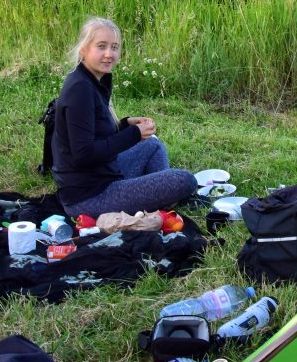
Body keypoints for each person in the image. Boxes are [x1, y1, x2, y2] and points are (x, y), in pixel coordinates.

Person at [51, 17, 197, 217]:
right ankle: (159, 197)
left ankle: (156, 197)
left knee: (153, 145)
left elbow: (94, 130)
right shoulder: (80, 88)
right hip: (89, 196)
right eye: (101, 46)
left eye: (114, 47)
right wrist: (134, 134)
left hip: (105, 173)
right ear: (84, 49)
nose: (109, 54)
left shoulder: (94, 79)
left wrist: (124, 124)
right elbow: (84, 154)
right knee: (185, 180)